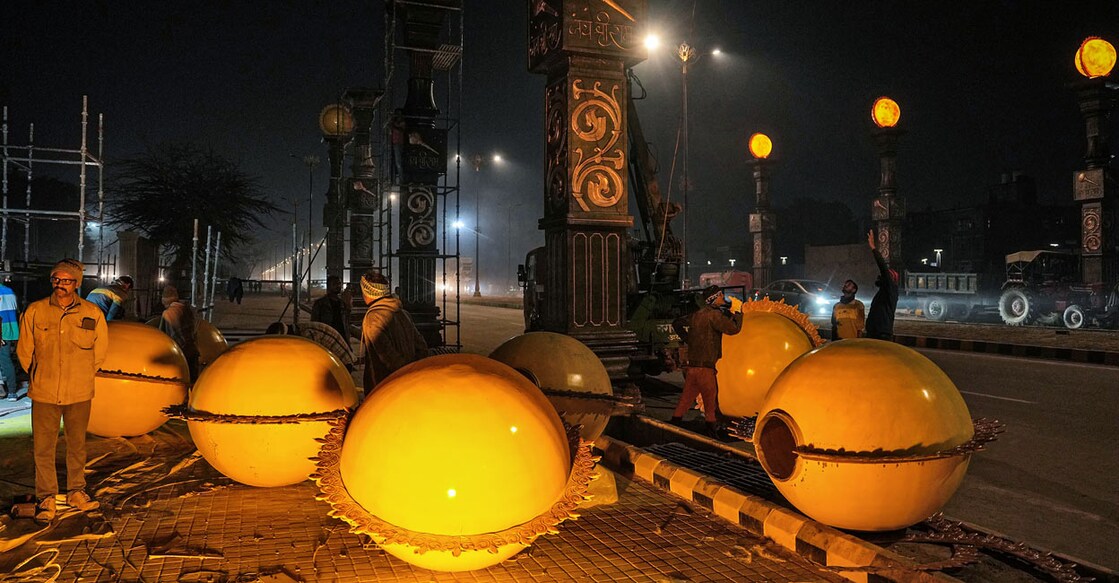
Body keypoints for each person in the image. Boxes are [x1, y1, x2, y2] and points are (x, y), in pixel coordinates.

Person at [17, 259, 107, 522]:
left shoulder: (92, 313)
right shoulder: (35, 311)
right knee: (43, 447)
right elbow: (25, 351)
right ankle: (46, 497)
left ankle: (76, 491)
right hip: (44, 392)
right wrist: (40, 375)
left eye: (66, 280)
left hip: (79, 392)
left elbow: (99, 354)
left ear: (76, 283)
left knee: (77, 445)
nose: (60, 285)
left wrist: (80, 375)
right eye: (56, 279)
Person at [670, 285, 743, 437]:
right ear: (713, 299)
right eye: (720, 295)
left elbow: (676, 323)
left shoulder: (697, 315)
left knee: (686, 399)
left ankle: (673, 426)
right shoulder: (714, 315)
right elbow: (733, 329)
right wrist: (737, 312)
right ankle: (711, 432)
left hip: (693, 367)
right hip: (706, 368)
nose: (723, 298)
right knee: (710, 401)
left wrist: (689, 340)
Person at [360, 270, 427, 393]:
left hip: (385, 387)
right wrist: (413, 371)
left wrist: (403, 373)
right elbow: (422, 347)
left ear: (367, 293)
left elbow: (387, 356)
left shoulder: (373, 318)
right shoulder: (403, 313)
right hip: (409, 382)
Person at [266, 321, 355, 371]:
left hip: (343, 366)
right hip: (336, 364)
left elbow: (313, 363)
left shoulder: (307, 335)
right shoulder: (300, 330)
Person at [158, 285, 200, 379]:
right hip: (193, 351)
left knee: (181, 381)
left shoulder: (167, 313)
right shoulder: (188, 309)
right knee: (192, 380)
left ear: (165, 301)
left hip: (179, 354)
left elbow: (161, 334)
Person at [865, 229, 899, 340]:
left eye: (887, 275)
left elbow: (883, 268)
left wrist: (873, 248)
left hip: (882, 335)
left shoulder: (891, 290)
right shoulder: (883, 292)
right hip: (873, 333)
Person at [311, 275, 351, 341]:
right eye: (334, 284)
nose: (338, 286)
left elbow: (346, 322)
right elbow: (314, 324)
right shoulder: (320, 304)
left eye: (339, 283)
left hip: (342, 339)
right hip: (327, 338)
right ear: (329, 286)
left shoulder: (342, 303)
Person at [0, 276, 19, 399]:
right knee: (6, 360)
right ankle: (11, 391)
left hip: (1, 329)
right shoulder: (9, 291)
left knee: (4, 361)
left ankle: (10, 390)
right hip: (9, 329)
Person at [390, 109, 405, 184]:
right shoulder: (394, 122)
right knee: (393, 163)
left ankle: (401, 180)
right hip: (393, 143)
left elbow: (401, 129)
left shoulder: (401, 122)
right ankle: (393, 180)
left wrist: (393, 125)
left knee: (398, 163)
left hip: (398, 143)